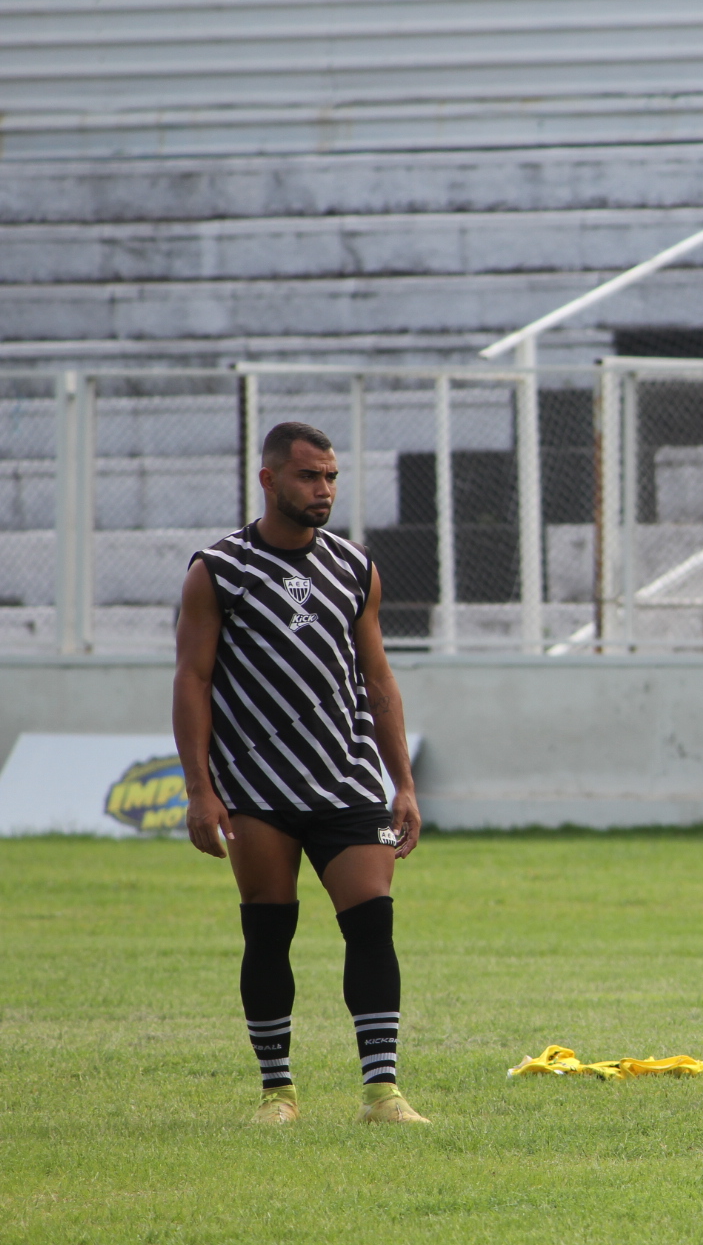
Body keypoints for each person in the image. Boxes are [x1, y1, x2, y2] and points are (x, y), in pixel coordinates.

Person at [173, 421, 429, 1124]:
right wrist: (200, 790)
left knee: (372, 922)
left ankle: (383, 1092)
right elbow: (192, 680)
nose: (323, 490)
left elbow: (378, 681)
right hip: (256, 785)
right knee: (268, 931)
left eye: (332, 477)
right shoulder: (218, 570)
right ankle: (277, 1093)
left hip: (345, 778)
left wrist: (401, 782)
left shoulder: (355, 567)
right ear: (269, 480)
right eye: (309, 476)